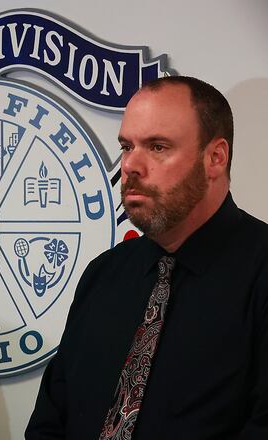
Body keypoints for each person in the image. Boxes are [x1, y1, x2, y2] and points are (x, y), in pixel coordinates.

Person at [25, 76, 268, 439]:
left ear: (215, 157)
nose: (130, 166)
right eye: (126, 146)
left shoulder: (260, 271)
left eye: (157, 147)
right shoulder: (104, 274)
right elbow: (50, 420)